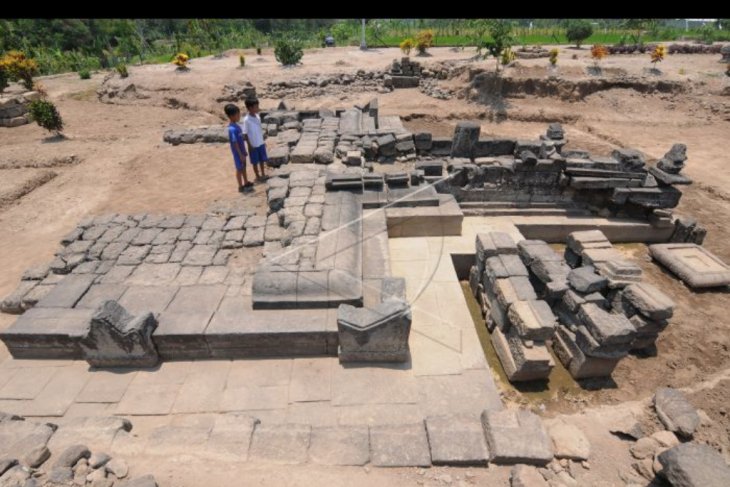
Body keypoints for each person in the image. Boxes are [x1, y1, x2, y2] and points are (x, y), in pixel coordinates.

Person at [224, 103, 253, 193]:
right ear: (232, 116)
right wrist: (240, 154)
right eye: (237, 114)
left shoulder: (237, 126)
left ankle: (246, 182)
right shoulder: (232, 129)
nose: (239, 116)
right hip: (238, 153)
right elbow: (235, 143)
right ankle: (240, 186)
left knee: (244, 167)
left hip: (242, 150)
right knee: (239, 169)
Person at [241, 98, 269, 183]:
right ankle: (257, 176)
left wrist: (263, 141)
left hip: (260, 142)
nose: (257, 108)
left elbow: (259, 129)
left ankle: (263, 174)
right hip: (253, 144)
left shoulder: (257, 116)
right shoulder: (246, 120)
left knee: (262, 160)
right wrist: (249, 145)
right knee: (255, 162)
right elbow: (245, 134)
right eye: (256, 107)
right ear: (250, 108)